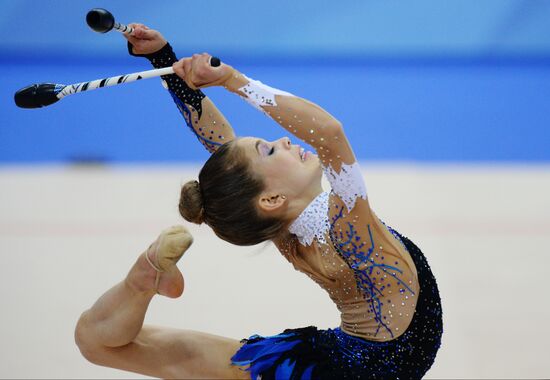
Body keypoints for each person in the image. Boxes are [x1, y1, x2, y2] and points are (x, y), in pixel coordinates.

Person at [75, 23, 443, 379]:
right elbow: (329, 134)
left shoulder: (281, 225)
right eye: (268, 150)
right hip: (339, 369)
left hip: (319, 363)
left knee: (95, 342)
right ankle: (143, 282)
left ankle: (142, 281)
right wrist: (234, 81)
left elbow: (221, 147)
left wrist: (164, 62)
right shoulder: (346, 227)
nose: (283, 141)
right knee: (105, 344)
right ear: (271, 197)